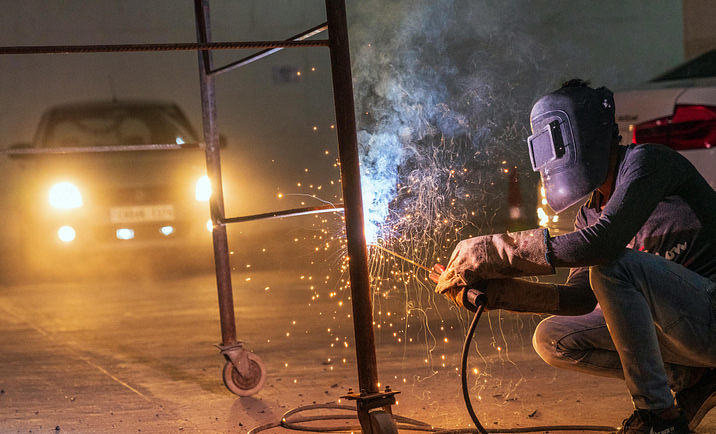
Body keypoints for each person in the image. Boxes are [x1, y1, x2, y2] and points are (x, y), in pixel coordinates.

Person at [433, 79, 716, 434]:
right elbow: (581, 298)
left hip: (711, 315)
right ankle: (693, 379)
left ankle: (659, 418)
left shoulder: (648, 162)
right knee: (551, 338)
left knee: (612, 267)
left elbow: (602, 245)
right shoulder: (589, 215)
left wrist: (495, 250)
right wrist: (501, 293)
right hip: (682, 336)